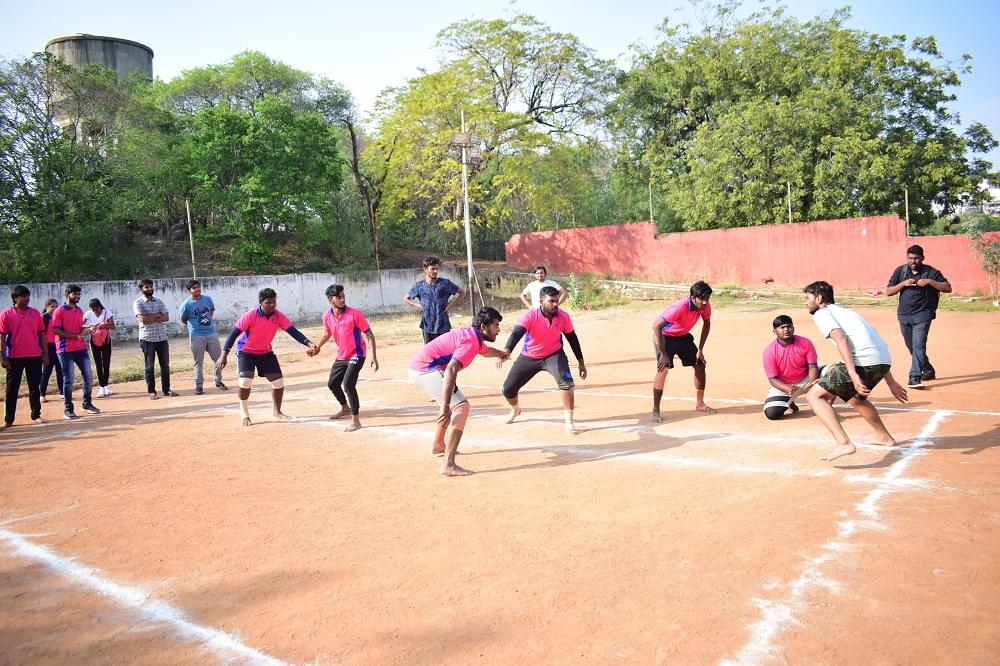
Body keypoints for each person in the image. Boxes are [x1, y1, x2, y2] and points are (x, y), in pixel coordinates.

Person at [803, 281, 908, 461]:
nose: (806, 302)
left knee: (814, 396)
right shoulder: (847, 312)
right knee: (855, 398)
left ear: (819, 298)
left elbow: (841, 340)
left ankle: (843, 443)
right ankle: (885, 438)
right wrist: (890, 380)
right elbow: (873, 341)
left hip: (864, 362)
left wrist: (852, 373)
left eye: (808, 298)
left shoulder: (822, 313)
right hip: (882, 360)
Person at [408, 307, 509, 476]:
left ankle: (439, 445)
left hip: (422, 368)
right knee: (461, 407)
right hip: (425, 369)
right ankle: (448, 464)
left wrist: (502, 353)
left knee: (455, 405)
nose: (498, 330)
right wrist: (445, 405)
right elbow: (451, 369)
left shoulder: (473, 336)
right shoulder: (470, 342)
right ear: (484, 327)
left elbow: (485, 351)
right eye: (496, 325)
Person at [219, 288, 318, 426]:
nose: (272, 305)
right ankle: (244, 413)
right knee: (245, 381)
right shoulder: (251, 315)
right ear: (261, 303)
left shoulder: (278, 316)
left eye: (274, 302)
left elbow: (293, 331)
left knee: (278, 383)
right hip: (246, 351)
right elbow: (233, 334)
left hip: (265, 352)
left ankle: (277, 411)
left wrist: (309, 343)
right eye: (268, 302)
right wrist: (224, 355)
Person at [501, 286, 587, 434]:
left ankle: (569, 422)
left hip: (554, 354)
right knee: (508, 389)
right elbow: (516, 333)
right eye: (551, 301)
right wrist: (507, 350)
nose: (555, 304)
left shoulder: (563, 316)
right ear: (541, 301)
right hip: (529, 356)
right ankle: (515, 410)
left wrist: (581, 362)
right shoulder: (530, 316)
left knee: (567, 384)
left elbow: (572, 338)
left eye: (557, 300)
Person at [885, 244, 952, 389]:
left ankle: (914, 377)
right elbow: (889, 292)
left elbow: (948, 287)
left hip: (923, 314)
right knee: (912, 346)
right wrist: (903, 284)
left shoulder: (931, 272)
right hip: (904, 315)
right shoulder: (901, 271)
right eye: (910, 258)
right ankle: (927, 370)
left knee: (919, 346)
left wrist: (929, 282)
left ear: (922, 258)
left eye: (916, 258)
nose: (913, 261)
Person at [314, 284, 379, 432]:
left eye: (343, 296)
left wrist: (373, 356)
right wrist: (317, 347)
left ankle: (356, 421)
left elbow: (369, 334)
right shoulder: (327, 316)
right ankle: (345, 408)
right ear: (330, 299)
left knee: (348, 384)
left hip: (357, 354)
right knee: (332, 384)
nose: (342, 299)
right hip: (341, 355)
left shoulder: (354, 314)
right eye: (339, 297)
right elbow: (327, 333)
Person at [651, 280, 716, 423]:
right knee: (663, 369)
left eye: (707, 298)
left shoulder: (705, 306)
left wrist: (700, 350)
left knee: (700, 364)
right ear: (693, 298)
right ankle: (656, 410)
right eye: (702, 299)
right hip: (665, 336)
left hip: (682, 336)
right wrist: (663, 354)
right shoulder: (680, 307)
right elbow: (656, 327)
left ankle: (700, 404)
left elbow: (707, 324)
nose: (705, 302)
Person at [0, 285, 47, 428]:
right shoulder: (6, 314)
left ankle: (36, 415)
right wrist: (3, 357)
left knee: (34, 386)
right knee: (12, 388)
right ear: (15, 298)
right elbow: (2, 337)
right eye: (23, 296)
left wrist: (45, 353)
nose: (26, 299)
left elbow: (41, 334)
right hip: (14, 357)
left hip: (34, 355)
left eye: (28, 296)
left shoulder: (35, 313)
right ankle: (9, 419)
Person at [51, 285, 99, 420]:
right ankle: (68, 409)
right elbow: (56, 331)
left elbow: (80, 328)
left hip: (80, 348)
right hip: (65, 350)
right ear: (68, 294)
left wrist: (89, 329)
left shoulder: (79, 311)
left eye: (79, 294)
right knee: (69, 379)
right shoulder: (59, 311)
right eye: (75, 294)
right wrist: (76, 336)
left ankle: (87, 403)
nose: (78, 296)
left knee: (89, 376)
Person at [762, 315, 819, 420]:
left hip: (806, 379)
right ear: (775, 332)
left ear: (793, 328)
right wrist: (789, 389)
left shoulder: (806, 343)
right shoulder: (769, 352)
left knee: (832, 371)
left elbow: (812, 367)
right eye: (782, 327)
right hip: (785, 385)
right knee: (772, 413)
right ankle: (789, 400)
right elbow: (773, 380)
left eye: (788, 326)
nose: (786, 330)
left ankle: (825, 404)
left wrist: (812, 384)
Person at [178, 279, 228, 395]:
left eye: (198, 287)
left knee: (218, 359)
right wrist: (196, 325)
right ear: (189, 291)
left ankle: (218, 381)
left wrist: (206, 323)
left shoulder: (207, 299)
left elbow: (211, 311)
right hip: (196, 335)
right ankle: (199, 385)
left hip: (211, 333)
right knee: (198, 362)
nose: (197, 289)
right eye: (194, 288)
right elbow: (183, 319)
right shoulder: (186, 304)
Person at [404, 256, 465, 344]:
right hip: (427, 325)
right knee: (430, 353)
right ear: (425, 269)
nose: (435, 271)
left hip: (443, 324)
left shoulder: (445, 283)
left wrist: (449, 306)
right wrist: (420, 306)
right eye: (433, 269)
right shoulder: (419, 286)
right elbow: (406, 299)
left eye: (437, 269)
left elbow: (462, 293)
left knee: (445, 353)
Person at [133, 279, 175, 399]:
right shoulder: (138, 303)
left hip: (162, 337)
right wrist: (157, 316)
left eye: (151, 286)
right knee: (149, 366)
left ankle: (166, 390)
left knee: (165, 365)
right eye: (147, 287)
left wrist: (152, 317)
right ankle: (151, 391)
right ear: (141, 289)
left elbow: (166, 317)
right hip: (147, 338)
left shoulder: (159, 301)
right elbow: (143, 319)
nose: (150, 289)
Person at [84, 298, 115, 397]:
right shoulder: (88, 314)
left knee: (106, 363)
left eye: (96, 308)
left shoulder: (107, 313)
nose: (95, 311)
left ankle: (106, 386)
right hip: (94, 341)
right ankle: (101, 387)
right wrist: (90, 327)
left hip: (106, 341)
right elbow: (81, 325)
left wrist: (105, 325)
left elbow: (113, 326)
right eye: (93, 309)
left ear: (100, 306)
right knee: (98, 364)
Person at [39, 298, 64, 403]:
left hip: (58, 346)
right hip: (47, 347)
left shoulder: (58, 317)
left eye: (56, 306)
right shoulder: (44, 318)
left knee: (60, 370)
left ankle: (62, 392)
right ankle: (42, 394)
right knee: (46, 371)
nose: (54, 308)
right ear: (47, 307)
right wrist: (43, 351)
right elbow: (41, 334)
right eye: (52, 306)